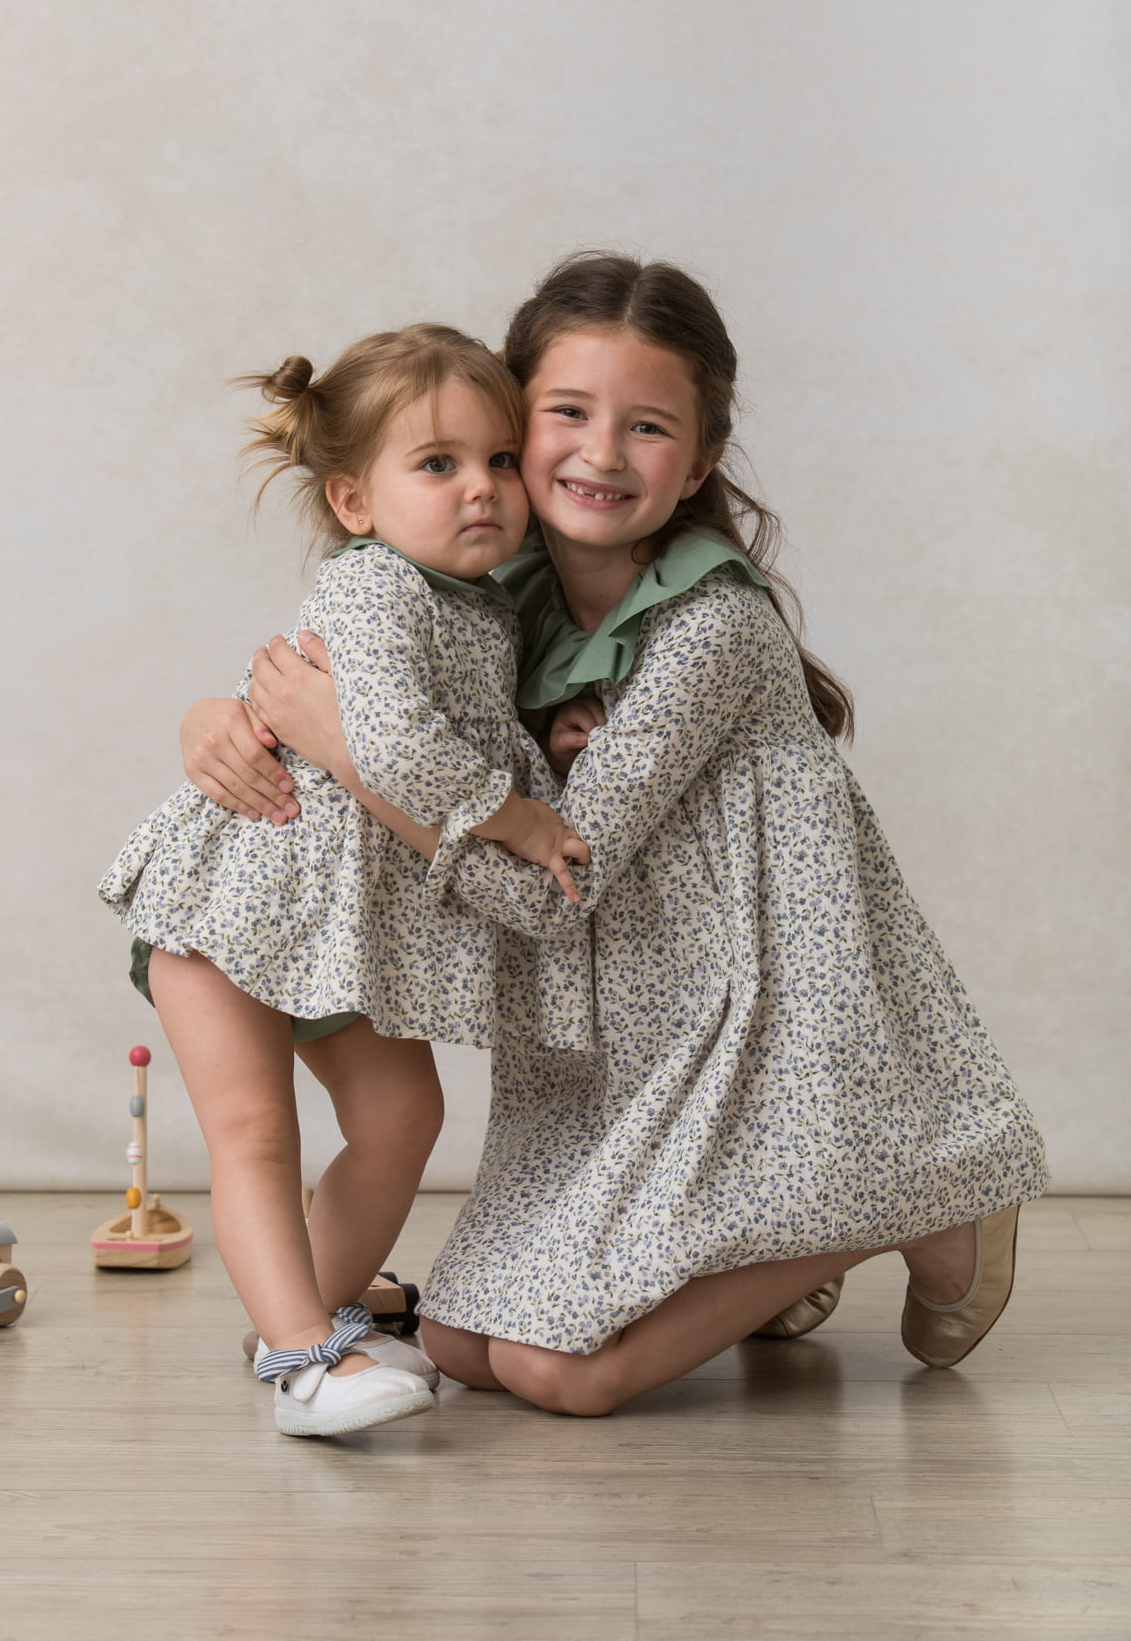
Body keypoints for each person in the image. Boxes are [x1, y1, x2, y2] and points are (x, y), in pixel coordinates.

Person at [182, 254, 1049, 1418]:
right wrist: (222, 715)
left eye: (646, 429)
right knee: (454, 1336)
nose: (598, 454)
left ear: (695, 464)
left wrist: (339, 747)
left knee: (561, 1375)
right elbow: (343, 659)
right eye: (565, 416)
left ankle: (923, 1201)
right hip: (616, 1030)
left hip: (747, 1018)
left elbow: (547, 889)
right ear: (512, 422)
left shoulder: (713, 629)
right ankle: (754, 1257)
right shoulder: (483, 585)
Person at [98, 323, 589, 1437]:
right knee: (254, 1133)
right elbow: (398, 749)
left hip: (330, 927)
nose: (483, 489)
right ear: (355, 502)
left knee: (402, 1111)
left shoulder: (483, 602)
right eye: (439, 464)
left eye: (501, 461)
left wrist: (548, 740)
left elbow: (462, 730)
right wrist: (515, 814)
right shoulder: (374, 586)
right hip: (234, 904)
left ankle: (299, 1315)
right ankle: (304, 1360)